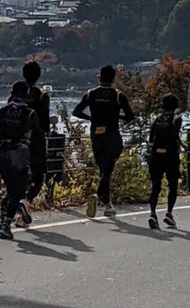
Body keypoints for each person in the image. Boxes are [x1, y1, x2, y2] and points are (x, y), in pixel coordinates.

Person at [72, 63, 135, 218]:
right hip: (113, 135)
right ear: (113, 79)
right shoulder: (118, 96)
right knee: (108, 168)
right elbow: (130, 117)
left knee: (104, 168)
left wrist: (92, 118)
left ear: (99, 77)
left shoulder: (90, 94)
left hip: (97, 135)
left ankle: (107, 202)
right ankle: (101, 196)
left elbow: (76, 111)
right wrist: (116, 117)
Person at [0, 80, 42, 240]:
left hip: (2, 152)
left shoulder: (1, 111)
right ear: (26, 94)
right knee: (18, 190)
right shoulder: (30, 113)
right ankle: (6, 223)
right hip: (20, 153)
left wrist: (1, 134)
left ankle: (4, 219)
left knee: (11, 188)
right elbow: (38, 135)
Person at [15, 60, 50, 226]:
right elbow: (44, 123)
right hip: (36, 141)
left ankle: (18, 215)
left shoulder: (16, 95)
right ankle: (26, 201)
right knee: (38, 176)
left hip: (16, 141)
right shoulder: (42, 95)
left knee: (19, 177)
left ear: (23, 74)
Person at [147, 94, 182, 229]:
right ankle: (169, 213)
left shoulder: (156, 119)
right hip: (171, 156)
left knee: (155, 186)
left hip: (156, 155)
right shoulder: (176, 119)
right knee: (172, 185)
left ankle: (152, 214)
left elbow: (151, 139)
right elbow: (174, 136)